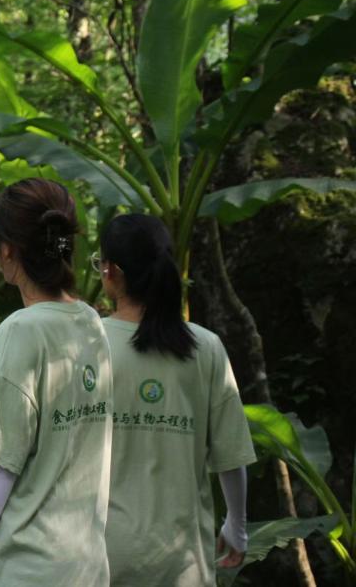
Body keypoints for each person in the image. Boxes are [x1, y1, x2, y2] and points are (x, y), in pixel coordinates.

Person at [0, 178, 113, 587]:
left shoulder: (21, 329)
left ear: (7, 249)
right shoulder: (90, 320)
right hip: (88, 564)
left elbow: (0, 461)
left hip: (31, 567)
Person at [97, 214, 256, 586]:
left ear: (111, 271)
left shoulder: (89, 344)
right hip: (184, 564)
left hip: (101, 557)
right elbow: (231, 456)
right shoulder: (206, 348)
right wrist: (237, 525)